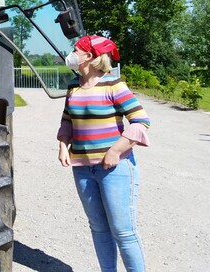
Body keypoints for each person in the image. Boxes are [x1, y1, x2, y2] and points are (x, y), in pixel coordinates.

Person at [57, 35, 151, 272]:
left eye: (75, 50)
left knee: (123, 231)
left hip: (115, 169)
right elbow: (67, 119)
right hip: (83, 170)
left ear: (89, 56)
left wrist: (116, 151)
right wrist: (62, 144)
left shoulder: (114, 85)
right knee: (98, 228)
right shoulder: (73, 86)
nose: (71, 54)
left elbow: (141, 122)